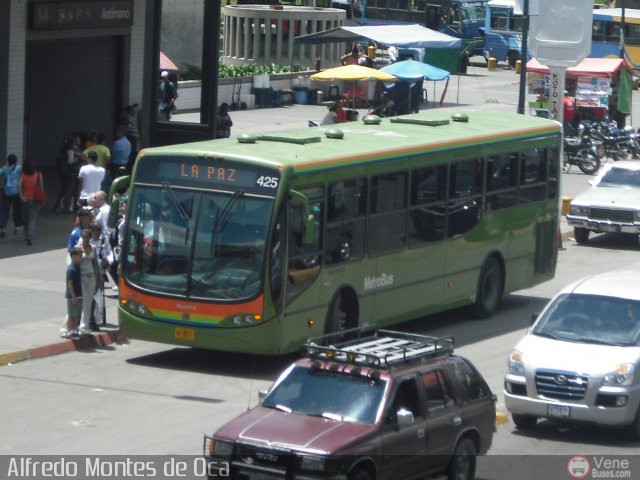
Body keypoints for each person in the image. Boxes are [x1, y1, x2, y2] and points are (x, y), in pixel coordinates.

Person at [76, 228, 103, 335]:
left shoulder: (93, 248)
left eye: (88, 237)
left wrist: (99, 279)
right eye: (84, 237)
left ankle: (84, 327)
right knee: (81, 303)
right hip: (81, 278)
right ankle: (74, 325)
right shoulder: (77, 249)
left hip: (91, 278)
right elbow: (73, 265)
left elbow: (95, 265)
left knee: (88, 304)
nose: (86, 239)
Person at [18, 158, 44, 246]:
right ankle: (30, 236)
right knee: (32, 220)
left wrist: (21, 196)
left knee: (25, 219)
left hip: (25, 200)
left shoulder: (23, 175)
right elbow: (41, 187)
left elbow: (19, 186)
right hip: (35, 200)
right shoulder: (38, 175)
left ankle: (26, 235)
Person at [60, 247, 84, 339]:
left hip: (79, 295)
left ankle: (75, 330)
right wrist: (74, 297)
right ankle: (70, 331)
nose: (81, 257)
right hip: (72, 296)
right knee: (71, 316)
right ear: (73, 256)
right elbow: (70, 284)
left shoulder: (78, 267)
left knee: (76, 315)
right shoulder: (71, 269)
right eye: (80, 256)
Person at [54, 137, 83, 213]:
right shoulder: (70, 151)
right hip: (70, 173)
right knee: (68, 190)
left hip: (64, 173)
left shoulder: (64, 150)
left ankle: (60, 206)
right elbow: (70, 162)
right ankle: (65, 206)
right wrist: (77, 159)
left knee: (65, 189)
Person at [0, 154, 24, 237]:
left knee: (4, 210)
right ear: (16, 161)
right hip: (16, 192)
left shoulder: (3, 168)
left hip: (5, 192)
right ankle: (17, 226)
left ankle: (3, 227)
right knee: (16, 210)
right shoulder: (19, 168)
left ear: (8, 160)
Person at [121, 103, 141, 170]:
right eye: (133, 110)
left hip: (133, 137)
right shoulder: (128, 118)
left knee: (133, 152)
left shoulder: (130, 118)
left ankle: (132, 165)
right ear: (129, 111)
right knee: (133, 152)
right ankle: (131, 166)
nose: (134, 112)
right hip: (131, 137)